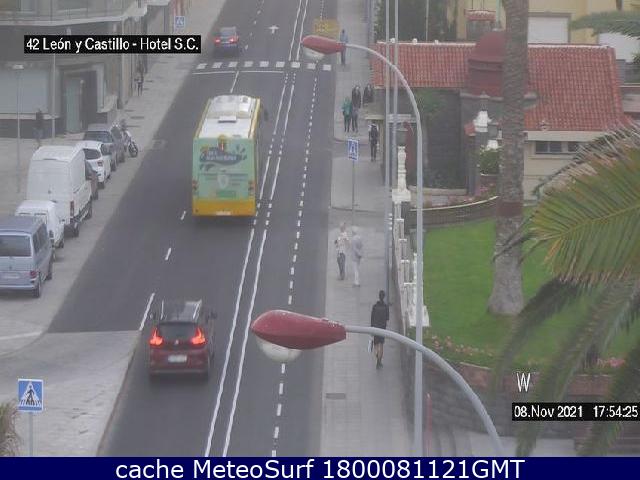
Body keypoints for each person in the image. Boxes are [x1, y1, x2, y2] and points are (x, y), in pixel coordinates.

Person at [370, 290, 390, 368]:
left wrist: (371, 327)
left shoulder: (374, 307)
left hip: (375, 328)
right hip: (382, 328)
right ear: (384, 297)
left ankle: (377, 356)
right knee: (381, 345)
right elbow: (387, 318)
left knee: (375, 345)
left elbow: (372, 318)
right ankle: (379, 360)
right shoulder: (386, 307)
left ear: (379, 296)